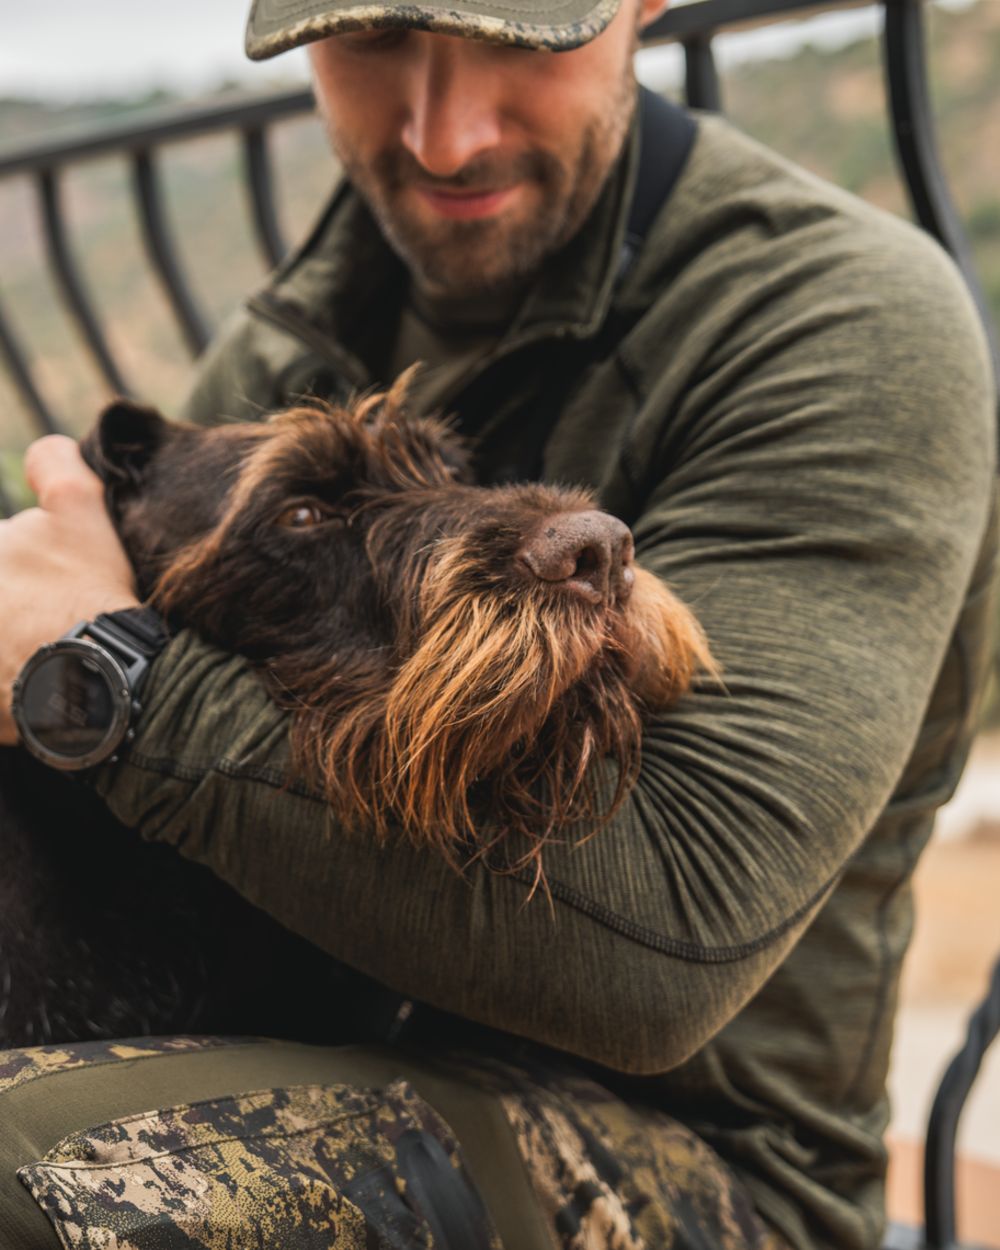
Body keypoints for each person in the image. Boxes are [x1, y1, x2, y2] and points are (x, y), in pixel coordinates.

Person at [0, 0, 996, 1247]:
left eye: (521, 36)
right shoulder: (296, 329)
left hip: (689, 1156)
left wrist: (109, 677)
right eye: (368, 45)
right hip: (325, 1032)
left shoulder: (839, 319)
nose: (444, 136)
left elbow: (667, 952)